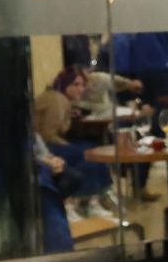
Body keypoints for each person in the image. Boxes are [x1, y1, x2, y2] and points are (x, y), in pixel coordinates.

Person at [110, 30, 168, 201]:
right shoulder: (162, 20)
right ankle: (153, 182)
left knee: (143, 130)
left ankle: (138, 184)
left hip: (138, 76)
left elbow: (122, 52)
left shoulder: (130, 26)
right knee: (160, 127)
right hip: (163, 75)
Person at [32, 69, 115, 217]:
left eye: (82, 85)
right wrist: (69, 146)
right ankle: (93, 199)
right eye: (76, 84)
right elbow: (48, 134)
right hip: (43, 149)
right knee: (89, 153)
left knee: (91, 151)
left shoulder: (61, 99)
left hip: (44, 146)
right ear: (64, 84)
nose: (81, 89)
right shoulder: (57, 99)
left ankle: (92, 198)